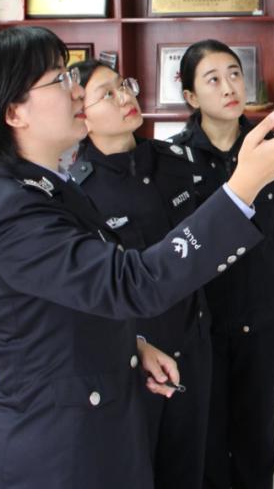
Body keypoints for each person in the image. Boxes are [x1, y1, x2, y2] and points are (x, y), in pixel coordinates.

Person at [0, 26, 274, 488]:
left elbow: (73, 300)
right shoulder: (16, 213)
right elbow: (133, 282)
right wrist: (243, 187)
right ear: (14, 112)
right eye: (60, 80)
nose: (76, 91)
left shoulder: (49, 189)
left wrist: (130, 346)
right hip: (59, 451)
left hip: (101, 420)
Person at [68, 59, 211, 489]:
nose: (126, 97)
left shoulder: (176, 161)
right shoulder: (79, 193)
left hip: (194, 338)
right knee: (138, 468)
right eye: (107, 94)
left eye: (124, 85)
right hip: (135, 354)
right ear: (81, 115)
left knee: (189, 465)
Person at [171, 40, 274, 489]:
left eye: (234, 74)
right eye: (213, 79)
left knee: (257, 435)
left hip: (262, 318)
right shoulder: (173, 160)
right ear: (191, 97)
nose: (229, 87)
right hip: (201, 325)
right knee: (207, 435)